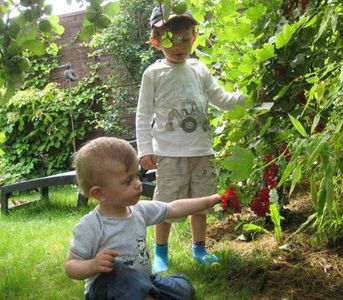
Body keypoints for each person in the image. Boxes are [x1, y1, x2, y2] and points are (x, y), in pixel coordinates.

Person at [136, 4, 246, 273]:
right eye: (170, 40)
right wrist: (144, 150)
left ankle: (199, 248)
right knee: (166, 206)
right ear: (155, 41)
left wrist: (248, 97)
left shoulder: (200, 70)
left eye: (185, 39)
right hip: (169, 154)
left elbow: (222, 99)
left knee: (202, 201)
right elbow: (142, 114)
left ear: (194, 37)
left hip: (201, 151)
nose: (179, 46)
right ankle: (161, 253)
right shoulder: (153, 73)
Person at [64, 137, 221, 300]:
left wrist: (210, 200)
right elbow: (70, 266)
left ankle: (150, 293)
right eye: (128, 180)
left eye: (137, 175)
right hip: (108, 290)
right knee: (120, 272)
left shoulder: (139, 210)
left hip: (144, 280)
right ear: (100, 193)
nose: (138, 183)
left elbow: (173, 208)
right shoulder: (91, 226)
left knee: (183, 289)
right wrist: (93, 265)